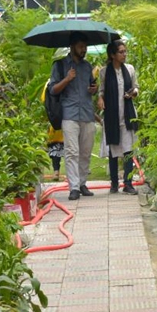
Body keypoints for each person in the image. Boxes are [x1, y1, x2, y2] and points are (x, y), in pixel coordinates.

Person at [48, 31, 98, 200]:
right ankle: (74, 187)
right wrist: (67, 79)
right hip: (69, 114)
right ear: (72, 46)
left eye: (85, 47)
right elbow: (53, 89)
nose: (84, 50)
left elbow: (91, 86)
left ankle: (83, 183)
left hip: (87, 113)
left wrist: (94, 89)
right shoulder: (60, 65)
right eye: (81, 46)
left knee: (85, 151)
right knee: (71, 151)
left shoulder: (87, 66)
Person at [97, 40, 139, 195]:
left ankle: (128, 183)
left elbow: (136, 87)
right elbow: (101, 91)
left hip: (127, 113)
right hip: (112, 115)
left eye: (125, 51)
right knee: (113, 148)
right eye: (121, 52)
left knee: (129, 150)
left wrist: (133, 93)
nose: (124, 54)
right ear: (112, 54)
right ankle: (114, 183)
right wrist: (100, 98)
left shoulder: (130, 69)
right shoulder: (104, 72)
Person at [41, 80, 64, 180]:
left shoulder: (48, 83)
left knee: (57, 148)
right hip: (57, 121)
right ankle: (56, 172)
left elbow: (43, 100)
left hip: (57, 120)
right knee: (56, 148)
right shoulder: (50, 83)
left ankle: (56, 172)